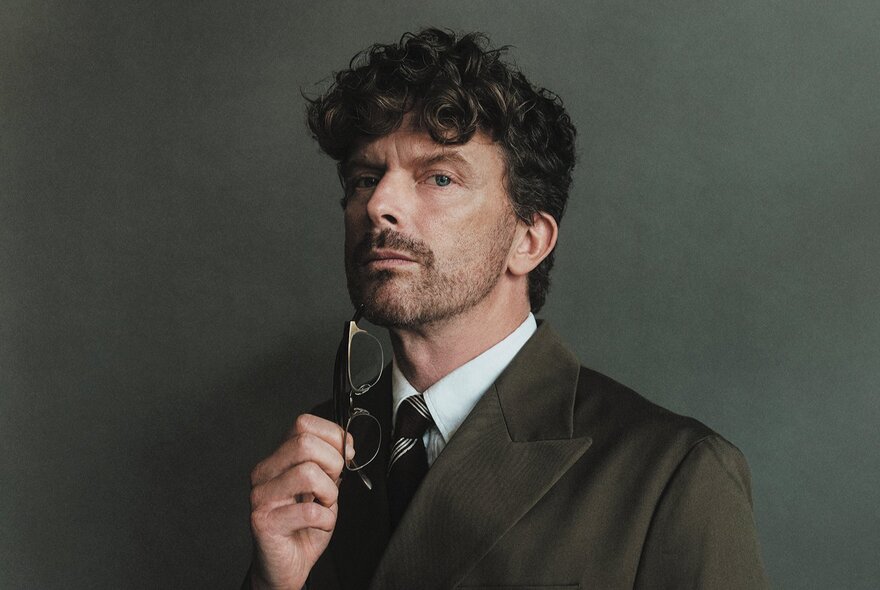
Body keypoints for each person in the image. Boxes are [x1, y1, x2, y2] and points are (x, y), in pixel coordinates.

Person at [245, 28, 768, 590]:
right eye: (365, 179)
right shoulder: (313, 452)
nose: (379, 205)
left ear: (530, 240)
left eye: (439, 177)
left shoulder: (672, 475)